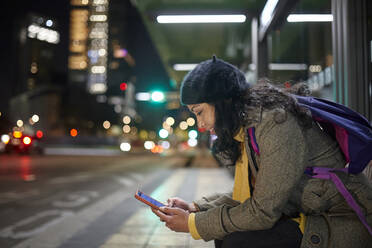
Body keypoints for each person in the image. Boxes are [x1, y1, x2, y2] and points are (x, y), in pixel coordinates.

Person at [152, 55, 372, 248]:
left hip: (342, 223)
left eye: (199, 112)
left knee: (238, 240)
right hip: (311, 216)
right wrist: (195, 207)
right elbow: (256, 194)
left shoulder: (276, 123)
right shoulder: (250, 128)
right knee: (228, 234)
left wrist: (193, 223)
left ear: (222, 102)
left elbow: (262, 211)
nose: (200, 124)